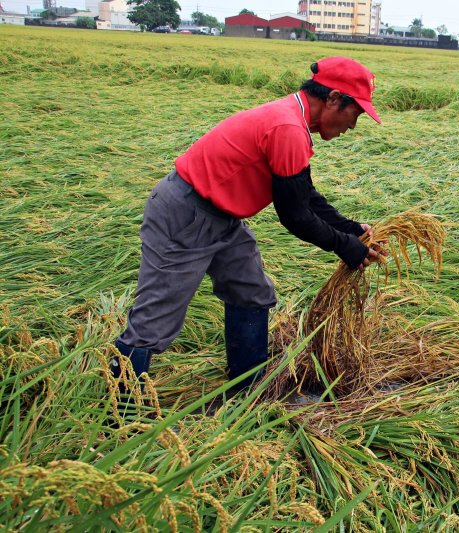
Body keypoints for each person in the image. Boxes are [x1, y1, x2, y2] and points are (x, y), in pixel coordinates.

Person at [112, 56, 384, 392]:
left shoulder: (291, 120)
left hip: (220, 217)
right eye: (354, 114)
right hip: (186, 214)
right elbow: (295, 216)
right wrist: (346, 247)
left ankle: (247, 387)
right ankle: (120, 412)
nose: (353, 126)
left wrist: (349, 229)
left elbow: (304, 195)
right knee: (155, 321)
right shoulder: (287, 128)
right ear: (331, 99)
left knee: (252, 292)